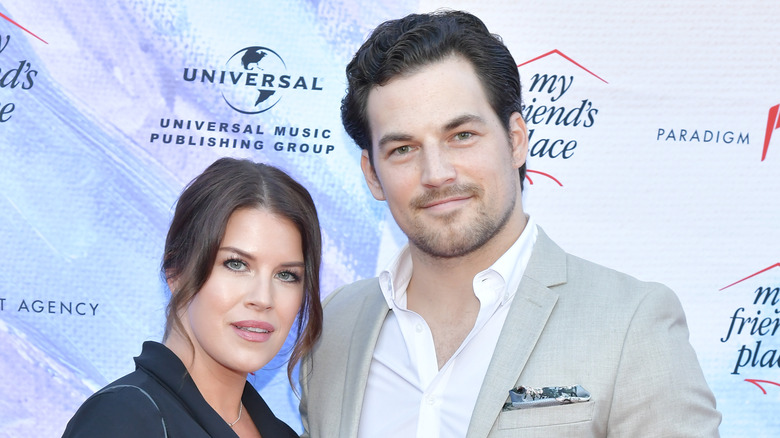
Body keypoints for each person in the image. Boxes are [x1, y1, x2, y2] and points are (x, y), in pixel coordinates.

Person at [299, 10, 720, 438]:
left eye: (461, 135)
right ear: (372, 174)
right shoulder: (334, 326)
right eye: (403, 149)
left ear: (516, 139)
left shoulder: (631, 323)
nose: (437, 173)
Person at [63, 157, 322, 437]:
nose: (263, 298)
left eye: (286, 275)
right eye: (236, 264)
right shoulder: (123, 418)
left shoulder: (279, 433)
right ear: (176, 273)